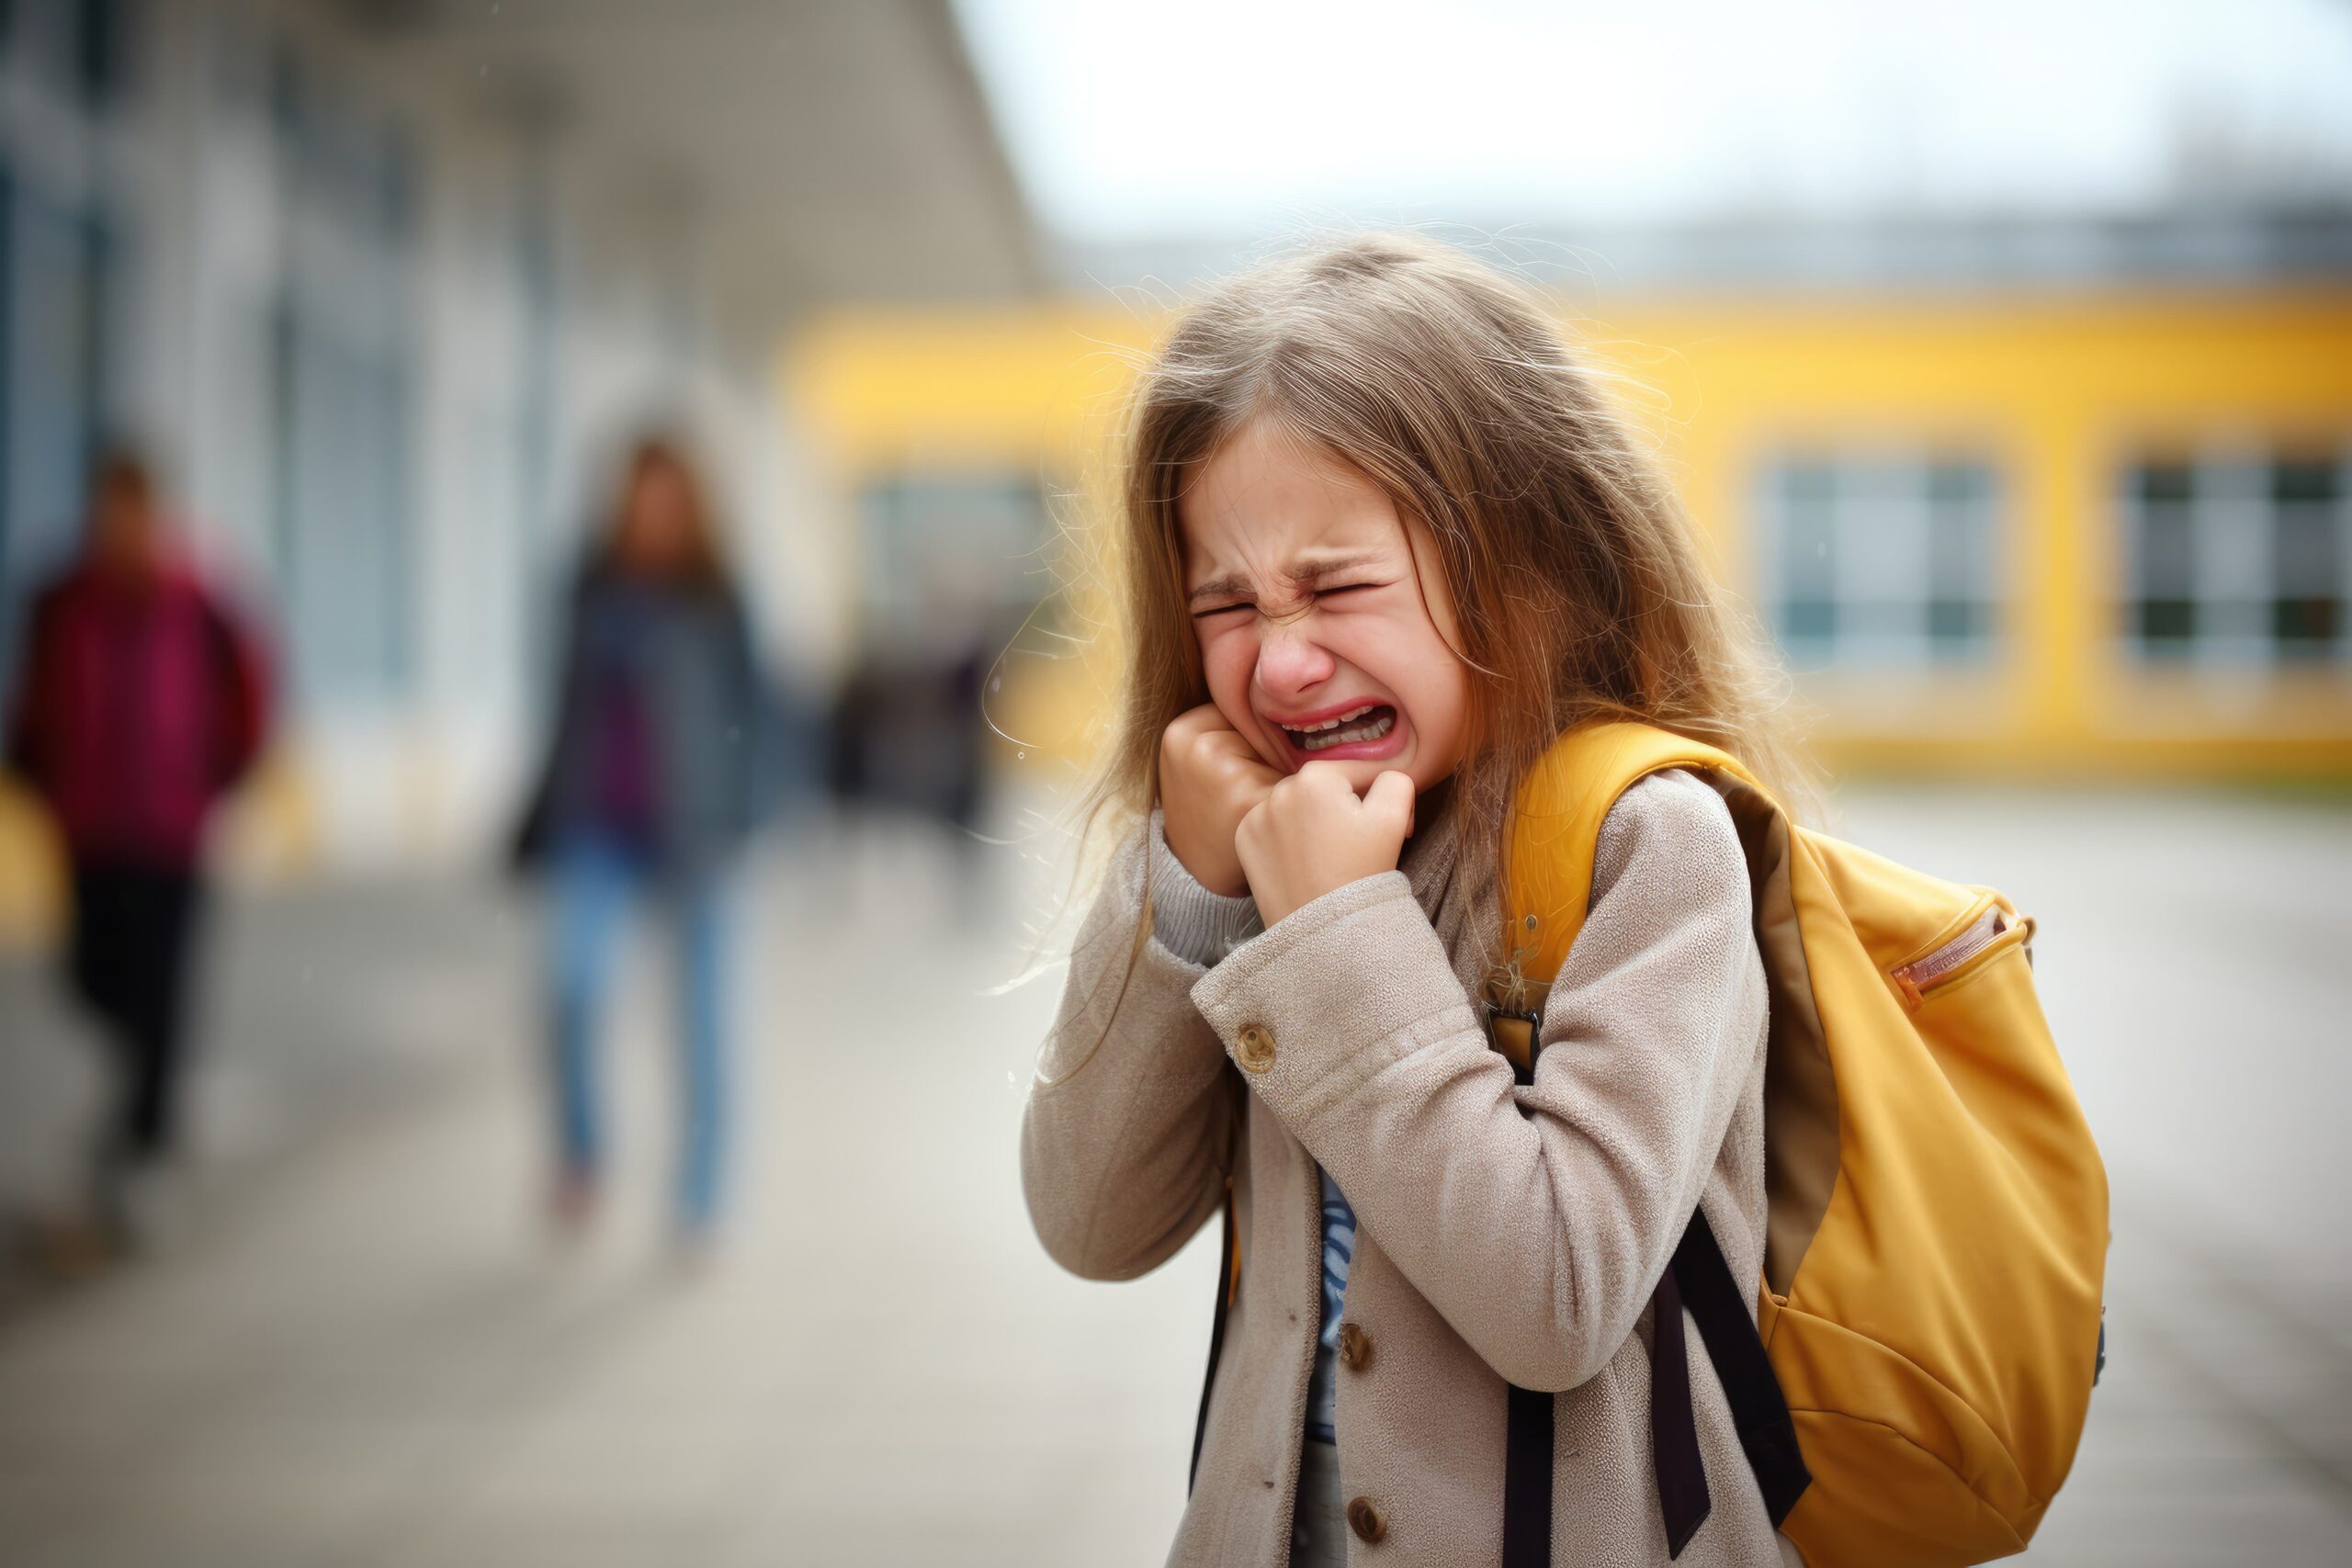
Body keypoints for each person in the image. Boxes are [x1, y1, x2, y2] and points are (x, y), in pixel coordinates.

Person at [1019, 236, 1815, 1566]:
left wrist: (1333, 932)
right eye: (1226, 602)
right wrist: (1192, 897)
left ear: (1530, 566)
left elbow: (1557, 1299)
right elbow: (1090, 1222)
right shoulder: (1258, 839)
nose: (1280, 661)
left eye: (1335, 585)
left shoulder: (1648, 845)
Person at [5, 447, 270, 1246]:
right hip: (89, 826)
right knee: (90, 975)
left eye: (134, 510)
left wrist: (221, 773)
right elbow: (36, 694)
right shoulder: (61, 597)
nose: (121, 527)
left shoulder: (202, 600)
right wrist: (33, 771)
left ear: (158, 515)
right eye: (108, 511)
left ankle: (144, 1151)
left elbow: (251, 691)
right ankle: (139, 1118)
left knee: (161, 996)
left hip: (171, 831)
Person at [513, 437, 771, 1249]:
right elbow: (561, 710)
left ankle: (700, 1196)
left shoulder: (718, 596)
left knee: (703, 1024)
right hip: (597, 824)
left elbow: (758, 715)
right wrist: (536, 814)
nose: (654, 517)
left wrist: (742, 816)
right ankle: (581, 1152)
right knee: (572, 986)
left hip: (696, 832)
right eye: (642, 499)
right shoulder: (588, 588)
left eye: (670, 502)